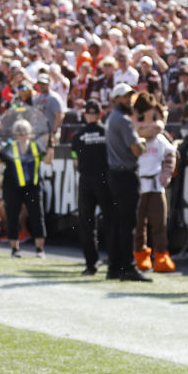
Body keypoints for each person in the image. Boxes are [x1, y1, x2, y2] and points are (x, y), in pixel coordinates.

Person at [104, 82, 151, 282]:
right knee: (128, 223)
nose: (129, 100)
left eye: (130, 96)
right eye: (125, 96)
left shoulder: (112, 118)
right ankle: (127, 267)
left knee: (117, 222)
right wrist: (141, 144)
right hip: (125, 175)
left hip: (115, 174)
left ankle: (115, 266)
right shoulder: (123, 120)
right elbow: (136, 150)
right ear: (116, 99)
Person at [132, 91, 177, 273]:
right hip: (138, 185)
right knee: (138, 224)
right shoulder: (134, 138)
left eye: (153, 117)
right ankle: (140, 256)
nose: (149, 124)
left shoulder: (160, 140)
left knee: (159, 223)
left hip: (156, 186)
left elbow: (170, 155)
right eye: (142, 118)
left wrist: (167, 173)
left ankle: (161, 257)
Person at [0, 119, 53, 257]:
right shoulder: (9, 147)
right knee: (12, 216)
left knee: (37, 216)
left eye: (24, 131)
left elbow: (48, 160)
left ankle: (40, 249)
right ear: (15, 134)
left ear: (30, 133)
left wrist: (51, 145)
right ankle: (15, 249)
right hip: (12, 187)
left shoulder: (36, 147)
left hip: (33, 186)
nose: (21, 134)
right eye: (19, 131)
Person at [71, 98, 112, 275]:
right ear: (100, 114)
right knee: (111, 221)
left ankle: (90, 264)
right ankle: (114, 260)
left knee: (87, 223)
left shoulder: (78, 136)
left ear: (86, 114)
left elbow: (75, 161)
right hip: (105, 180)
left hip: (86, 181)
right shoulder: (107, 132)